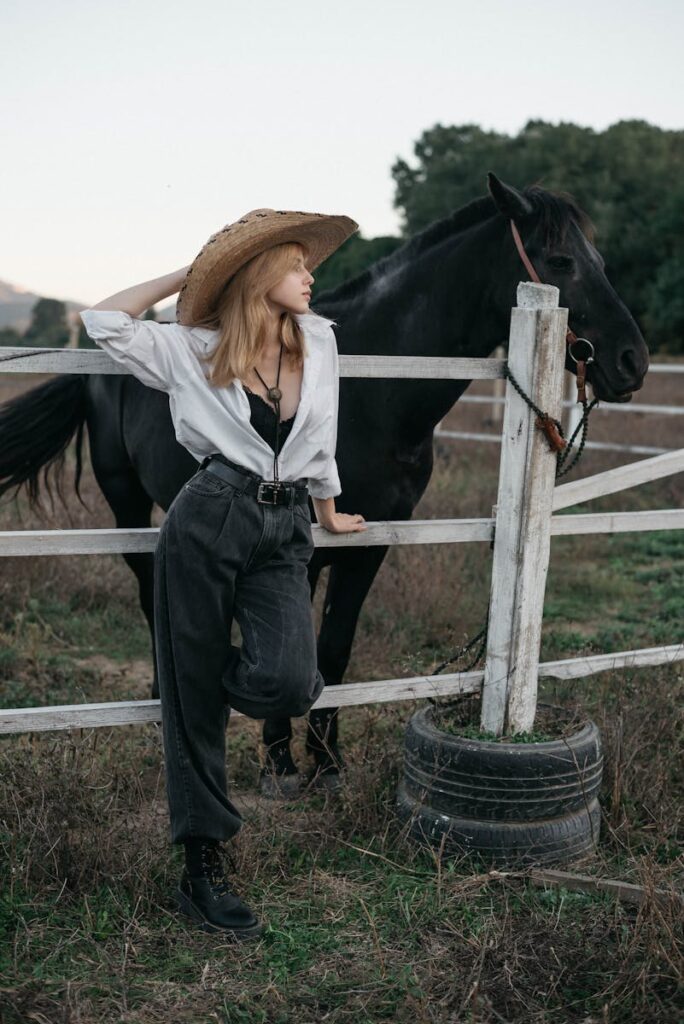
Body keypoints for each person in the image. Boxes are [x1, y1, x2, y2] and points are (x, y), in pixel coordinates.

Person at [79, 208, 367, 941]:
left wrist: (329, 512)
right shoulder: (191, 347)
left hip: (286, 525)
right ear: (259, 275)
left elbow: (321, 436)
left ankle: (194, 681)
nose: (310, 275)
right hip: (208, 514)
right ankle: (202, 867)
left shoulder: (322, 340)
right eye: (297, 264)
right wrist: (194, 272)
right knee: (196, 709)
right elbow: (104, 322)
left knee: (289, 682)